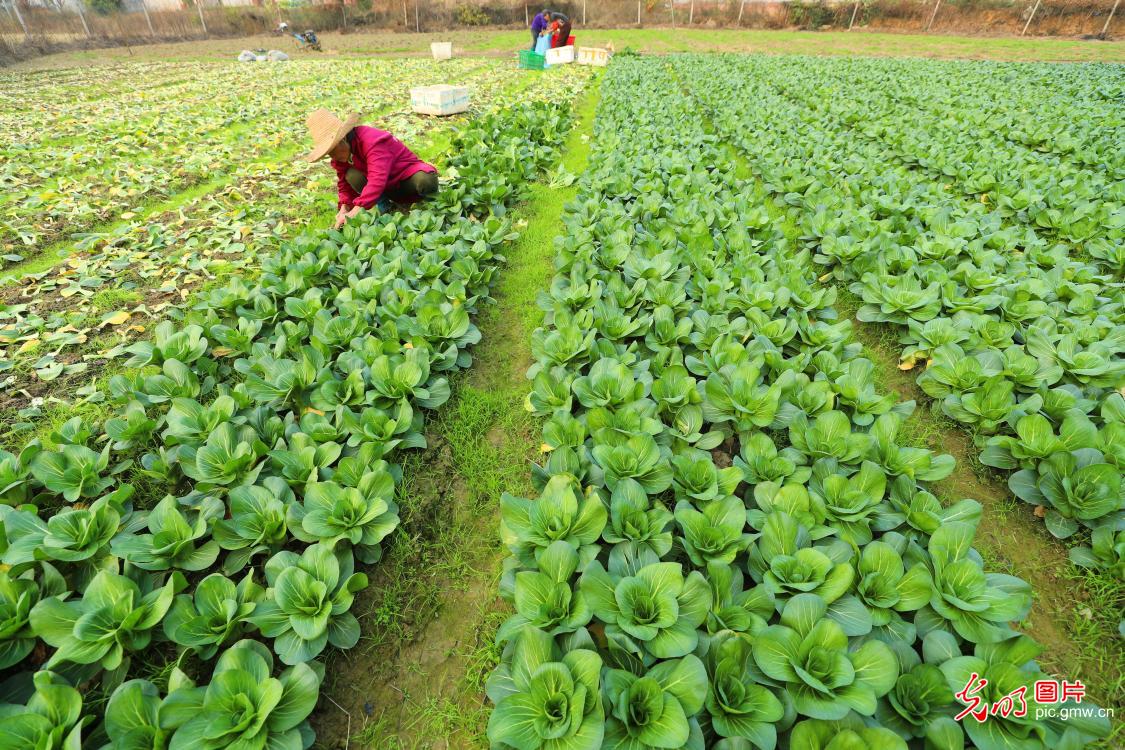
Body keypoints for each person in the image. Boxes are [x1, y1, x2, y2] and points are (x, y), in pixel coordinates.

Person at [303, 109, 438, 230]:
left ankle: (431, 207)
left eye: (331, 150)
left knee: (425, 179)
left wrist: (357, 209)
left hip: (405, 179)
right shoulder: (342, 154)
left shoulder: (372, 141)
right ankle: (387, 208)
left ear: (342, 139)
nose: (331, 156)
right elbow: (344, 184)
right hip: (387, 188)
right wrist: (344, 207)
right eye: (328, 153)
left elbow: (377, 180)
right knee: (351, 175)